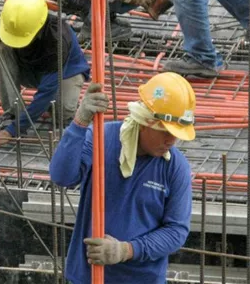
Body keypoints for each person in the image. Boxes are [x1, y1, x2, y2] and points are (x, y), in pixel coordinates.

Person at [49, 72, 194, 283]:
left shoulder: (174, 167)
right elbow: (62, 176)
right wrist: (80, 123)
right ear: (145, 121)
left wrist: (126, 250)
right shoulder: (102, 139)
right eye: (165, 131)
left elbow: (176, 231)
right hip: (88, 277)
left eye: (177, 134)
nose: (172, 140)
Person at [0, 0, 90, 147]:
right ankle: (13, 112)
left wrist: (10, 132)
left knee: (62, 114)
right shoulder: (9, 26)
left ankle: (56, 114)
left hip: (66, 73)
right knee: (2, 50)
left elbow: (46, 93)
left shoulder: (57, 41)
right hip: (29, 69)